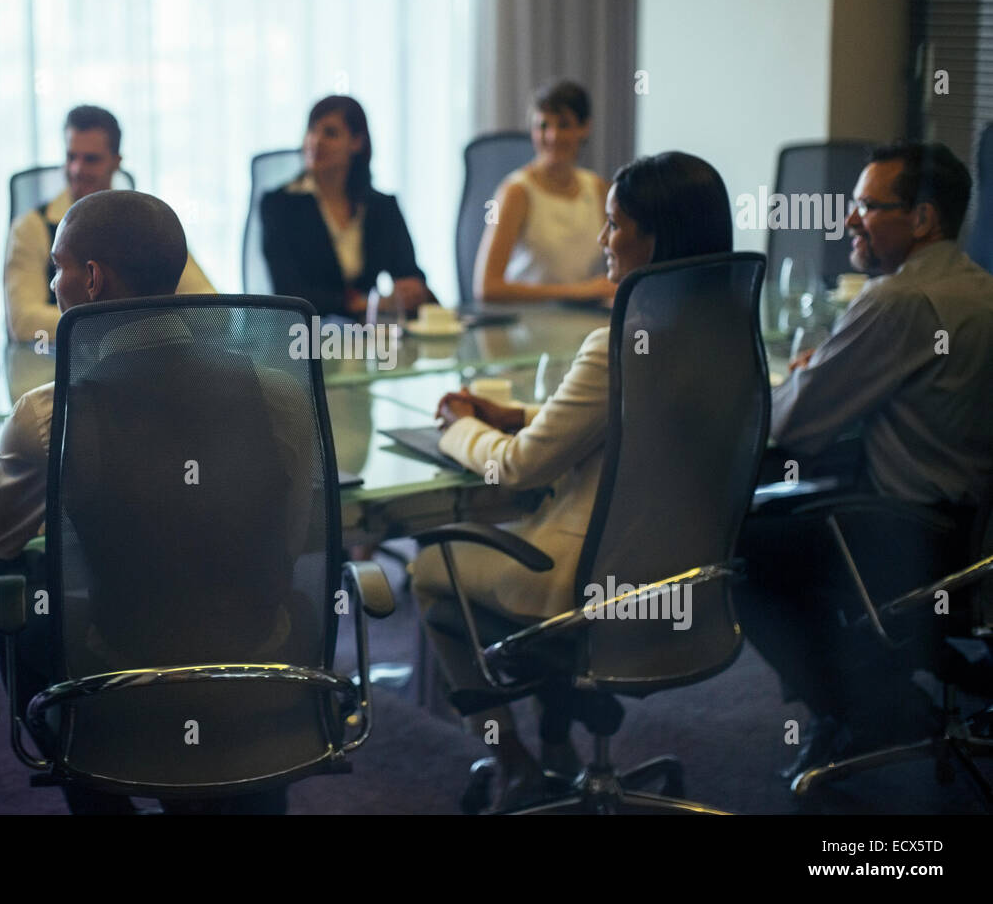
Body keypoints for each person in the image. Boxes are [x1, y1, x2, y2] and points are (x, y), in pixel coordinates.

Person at [410, 151, 734, 812]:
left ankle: (514, 759)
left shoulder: (621, 340)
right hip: (689, 587)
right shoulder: (730, 337)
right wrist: (518, 413)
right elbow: (630, 422)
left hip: (583, 586)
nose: (601, 240)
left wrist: (457, 427)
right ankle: (558, 736)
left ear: (656, 237)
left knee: (427, 566)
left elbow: (523, 465)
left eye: (614, 226)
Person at [0, 190, 309, 814]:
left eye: (58, 267)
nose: (53, 280)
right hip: (261, 665)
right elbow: (289, 536)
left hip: (125, 672)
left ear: (91, 279)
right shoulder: (277, 392)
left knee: (18, 627)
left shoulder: (50, 415)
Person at [736, 141, 993, 778]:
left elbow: (796, 426)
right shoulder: (978, 289)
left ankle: (861, 706)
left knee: (739, 547)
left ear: (924, 219)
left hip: (913, 534)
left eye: (866, 207)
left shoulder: (899, 302)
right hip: (973, 530)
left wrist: (808, 377)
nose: (848, 220)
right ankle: (891, 674)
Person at [4, 104, 216, 342]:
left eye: (91, 159)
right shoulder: (31, 227)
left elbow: (211, 308)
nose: (77, 169)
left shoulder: (143, 223)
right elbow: (24, 321)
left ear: (116, 162)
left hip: (134, 362)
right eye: (71, 157)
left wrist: (109, 324)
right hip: (52, 364)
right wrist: (128, 323)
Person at [261, 95, 435, 319]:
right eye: (312, 130)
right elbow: (289, 292)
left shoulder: (382, 207)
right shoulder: (279, 206)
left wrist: (413, 291)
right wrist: (364, 303)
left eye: (330, 133)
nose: (316, 141)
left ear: (356, 143)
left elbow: (408, 272)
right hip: (305, 337)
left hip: (369, 335)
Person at [473, 81, 616, 304]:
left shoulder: (597, 188)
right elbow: (487, 288)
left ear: (584, 128)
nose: (552, 136)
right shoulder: (516, 192)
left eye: (564, 125)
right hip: (526, 325)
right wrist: (583, 291)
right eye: (542, 126)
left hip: (581, 320)